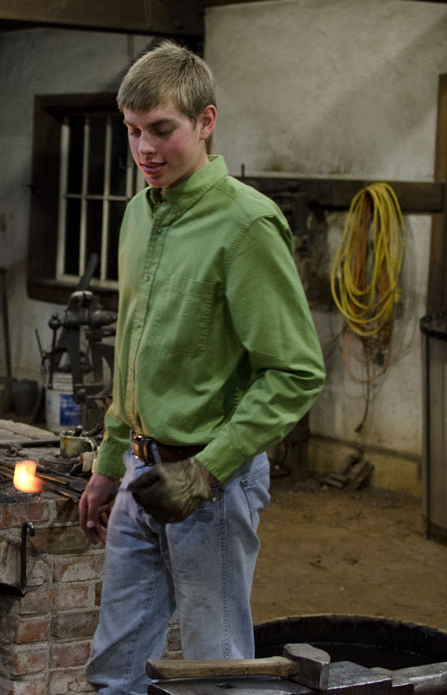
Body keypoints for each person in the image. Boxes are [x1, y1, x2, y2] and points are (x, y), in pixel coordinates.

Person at [77, 41, 325, 695]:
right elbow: (132, 351)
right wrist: (109, 464)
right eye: (133, 130)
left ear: (206, 121)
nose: (145, 149)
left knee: (217, 673)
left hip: (214, 481)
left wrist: (208, 470)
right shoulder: (139, 213)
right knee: (116, 670)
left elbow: (296, 371)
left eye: (162, 129)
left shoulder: (246, 225)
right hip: (141, 473)